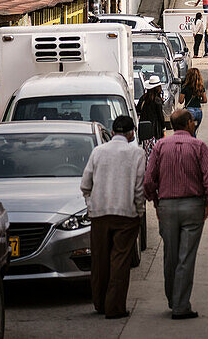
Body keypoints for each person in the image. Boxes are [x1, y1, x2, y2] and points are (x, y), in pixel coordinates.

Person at [144, 109, 208, 320]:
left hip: (167, 206)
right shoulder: (199, 146)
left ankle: (172, 298)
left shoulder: (159, 146)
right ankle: (181, 305)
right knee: (186, 257)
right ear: (187, 124)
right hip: (193, 206)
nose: (194, 124)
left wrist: (156, 202)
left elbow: (149, 180)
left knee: (170, 255)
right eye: (192, 121)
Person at [80, 114, 146, 319]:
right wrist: (139, 211)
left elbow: (86, 184)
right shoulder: (136, 153)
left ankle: (99, 303)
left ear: (114, 131)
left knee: (99, 259)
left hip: (99, 214)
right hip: (126, 214)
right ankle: (115, 307)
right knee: (120, 260)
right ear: (131, 133)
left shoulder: (98, 151)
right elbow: (138, 188)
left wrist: (91, 206)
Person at [179, 67, 207, 135]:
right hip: (199, 111)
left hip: (189, 111)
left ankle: (192, 144)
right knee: (193, 131)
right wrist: (197, 101)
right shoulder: (201, 87)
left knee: (189, 132)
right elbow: (205, 100)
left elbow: (181, 101)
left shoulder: (185, 87)